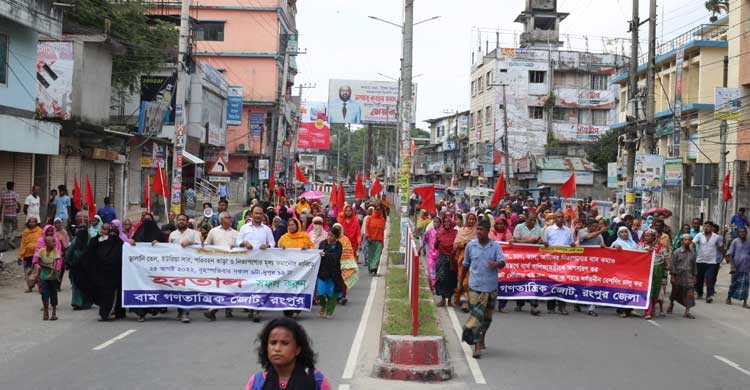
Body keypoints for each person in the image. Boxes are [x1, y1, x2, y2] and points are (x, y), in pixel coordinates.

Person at [460, 219, 505, 359]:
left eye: (481, 230)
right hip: (475, 286)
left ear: (487, 231)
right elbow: (465, 265)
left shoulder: (495, 246)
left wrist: (496, 264)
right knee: (477, 316)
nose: (478, 232)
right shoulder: (471, 246)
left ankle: (481, 336)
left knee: (487, 318)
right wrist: (460, 283)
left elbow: (503, 263)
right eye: (477, 229)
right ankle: (477, 345)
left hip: (491, 287)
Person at [244, 318, 332, 390]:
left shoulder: (315, 380)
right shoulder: (257, 382)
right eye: (273, 343)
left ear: (297, 349)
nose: (277, 349)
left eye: (285, 343)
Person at [129, 213, 166, 322]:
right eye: (145, 220)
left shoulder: (158, 233)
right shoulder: (139, 232)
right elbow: (133, 241)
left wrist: (159, 243)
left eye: (149, 219)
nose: (147, 221)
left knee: (154, 287)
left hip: (155, 268)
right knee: (141, 288)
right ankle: (141, 313)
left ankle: (155, 308)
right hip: (140, 267)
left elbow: (166, 247)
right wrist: (132, 242)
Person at [168, 214, 202, 323]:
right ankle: (180, 311)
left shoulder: (194, 233)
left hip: (190, 267)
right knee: (178, 289)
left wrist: (190, 243)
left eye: (183, 220)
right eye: (179, 220)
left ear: (187, 222)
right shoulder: (172, 234)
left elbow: (200, 247)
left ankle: (185, 313)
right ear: (176, 221)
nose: (181, 221)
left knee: (187, 289)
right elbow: (168, 249)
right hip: (176, 267)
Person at [278, 217, 315, 318]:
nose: (291, 226)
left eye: (293, 224)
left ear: (297, 225)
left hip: (301, 269)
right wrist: (281, 249)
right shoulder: (283, 238)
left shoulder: (304, 237)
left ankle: (297, 309)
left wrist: (307, 249)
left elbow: (312, 249)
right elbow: (277, 251)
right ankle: (287, 309)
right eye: (289, 225)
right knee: (287, 287)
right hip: (287, 268)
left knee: (298, 287)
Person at [89, 224, 126, 321]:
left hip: (117, 276)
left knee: (115, 296)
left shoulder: (122, 245)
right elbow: (92, 246)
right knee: (105, 296)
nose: (113, 235)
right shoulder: (104, 244)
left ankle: (114, 313)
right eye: (111, 233)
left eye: (115, 234)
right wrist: (97, 236)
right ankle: (104, 314)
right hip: (104, 276)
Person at [543, 211, 575, 315]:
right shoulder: (549, 230)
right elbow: (544, 245)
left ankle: (562, 307)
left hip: (565, 263)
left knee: (563, 284)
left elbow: (571, 243)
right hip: (552, 262)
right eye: (558, 217)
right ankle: (551, 307)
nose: (560, 219)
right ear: (555, 219)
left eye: (562, 217)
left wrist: (573, 245)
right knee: (551, 284)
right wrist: (545, 244)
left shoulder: (568, 230)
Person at [693, 221, 723, 303]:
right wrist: (691, 250)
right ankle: (699, 292)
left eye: (708, 226)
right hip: (700, 260)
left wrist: (725, 255)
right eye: (704, 226)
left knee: (710, 278)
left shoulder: (716, 237)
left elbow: (721, 247)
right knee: (700, 278)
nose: (706, 228)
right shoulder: (699, 235)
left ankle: (709, 295)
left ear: (712, 228)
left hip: (712, 262)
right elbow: (693, 243)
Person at [454, 212, 478, 312]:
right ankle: (463, 299)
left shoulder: (478, 231)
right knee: (462, 280)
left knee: (468, 282)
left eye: (473, 219)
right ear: (466, 220)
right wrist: (465, 243)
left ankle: (466, 302)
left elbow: (483, 243)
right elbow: (455, 245)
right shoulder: (461, 231)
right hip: (462, 259)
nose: (471, 221)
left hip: (475, 259)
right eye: (469, 219)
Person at [318, 226, 344, 319]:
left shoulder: (338, 245)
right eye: (328, 235)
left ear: (336, 237)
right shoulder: (322, 243)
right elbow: (316, 254)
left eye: (332, 236)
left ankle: (329, 312)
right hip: (322, 272)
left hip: (333, 273)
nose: (329, 237)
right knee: (320, 293)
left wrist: (325, 254)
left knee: (332, 294)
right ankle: (323, 305)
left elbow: (336, 257)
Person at [34, 235, 63, 321]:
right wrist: (49, 267)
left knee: (54, 294)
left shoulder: (55, 251)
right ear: (46, 243)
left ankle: (54, 312)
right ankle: (46, 310)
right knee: (44, 293)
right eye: (52, 242)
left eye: (54, 241)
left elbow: (55, 263)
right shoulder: (41, 251)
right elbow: (39, 262)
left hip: (53, 276)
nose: (54, 243)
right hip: (43, 276)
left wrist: (51, 272)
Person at [669, 234, 697, 319]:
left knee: (690, 294)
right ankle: (671, 303)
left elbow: (694, 266)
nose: (687, 242)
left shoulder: (693, 253)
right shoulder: (677, 252)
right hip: (678, 275)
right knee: (675, 292)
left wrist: (695, 276)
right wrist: (673, 276)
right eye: (685, 240)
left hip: (689, 276)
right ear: (681, 241)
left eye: (689, 240)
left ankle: (687, 312)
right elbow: (673, 265)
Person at [65, 224, 93, 310]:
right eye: (80, 228)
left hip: (86, 267)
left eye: (84, 228)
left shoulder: (90, 241)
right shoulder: (75, 241)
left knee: (84, 285)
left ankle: (84, 303)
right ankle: (78, 302)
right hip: (77, 267)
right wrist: (69, 262)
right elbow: (69, 253)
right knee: (77, 284)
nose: (82, 230)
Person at [332, 223, 358, 305]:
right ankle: (334, 297)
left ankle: (342, 297)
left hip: (344, 263)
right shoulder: (330, 239)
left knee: (343, 280)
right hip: (333, 264)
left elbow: (348, 251)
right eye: (335, 229)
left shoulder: (345, 239)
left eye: (338, 229)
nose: (337, 231)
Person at [434, 217, 458, 307]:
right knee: (441, 279)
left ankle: (450, 300)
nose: (447, 223)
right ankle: (443, 299)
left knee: (451, 280)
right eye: (445, 222)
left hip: (452, 259)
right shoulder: (440, 233)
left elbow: (457, 244)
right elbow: (436, 245)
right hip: (442, 258)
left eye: (448, 221)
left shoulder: (455, 233)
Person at [726, 226, 750, 308]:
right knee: (734, 284)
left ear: (746, 233)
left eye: (744, 231)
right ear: (738, 233)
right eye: (740, 232)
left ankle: (745, 302)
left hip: (746, 267)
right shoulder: (735, 242)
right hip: (736, 267)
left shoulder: (749, 242)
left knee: (746, 285)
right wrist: (732, 266)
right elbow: (730, 255)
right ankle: (729, 298)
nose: (742, 233)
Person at [18, 217, 42, 292]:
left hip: (37, 254)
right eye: (30, 222)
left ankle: (40, 287)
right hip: (27, 255)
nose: (32, 223)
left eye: (34, 222)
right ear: (28, 223)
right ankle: (30, 287)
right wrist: (20, 255)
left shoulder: (40, 231)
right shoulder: (25, 232)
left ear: (36, 223)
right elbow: (23, 244)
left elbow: (42, 242)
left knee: (37, 271)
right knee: (27, 272)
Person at [364, 205, 386, 276]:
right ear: (375, 210)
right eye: (377, 209)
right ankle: (371, 268)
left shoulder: (382, 219)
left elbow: (382, 231)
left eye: (380, 210)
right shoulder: (369, 218)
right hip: (371, 240)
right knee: (371, 255)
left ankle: (374, 268)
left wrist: (382, 241)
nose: (379, 211)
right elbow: (366, 228)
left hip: (379, 240)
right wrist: (368, 236)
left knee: (378, 255)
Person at [422, 217, 441, 291]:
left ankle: (436, 286)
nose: (436, 224)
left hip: (439, 255)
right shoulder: (429, 232)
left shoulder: (442, 232)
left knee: (438, 272)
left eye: (438, 222)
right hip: (431, 255)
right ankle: (432, 286)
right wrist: (421, 248)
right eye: (435, 222)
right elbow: (424, 240)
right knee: (431, 271)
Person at [52, 217, 71, 290]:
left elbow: (67, 244)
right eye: (56, 223)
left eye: (59, 222)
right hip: (53, 254)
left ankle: (58, 285)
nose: (58, 224)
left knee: (61, 270)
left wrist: (61, 243)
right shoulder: (52, 232)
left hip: (62, 254)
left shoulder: (64, 232)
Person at [1, 181, 21, 249]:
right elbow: (18, 203)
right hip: (13, 215)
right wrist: (19, 209)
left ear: (7, 186)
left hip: (6, 215)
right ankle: (11, 240)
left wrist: (0, 213)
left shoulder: (3, 194)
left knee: (6, 230)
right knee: (14, 228)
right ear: (13, 186)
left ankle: (4, 246)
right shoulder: (15, 194)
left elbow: (1, 205)